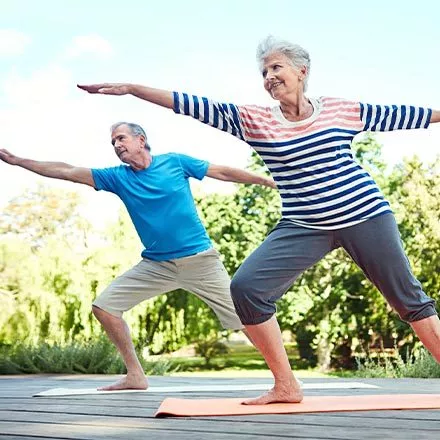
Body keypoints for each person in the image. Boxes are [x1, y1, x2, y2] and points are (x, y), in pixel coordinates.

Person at [77, 35, 440, 404]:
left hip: (365, 215)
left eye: (276, 67)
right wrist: (133, 89)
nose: (268, 76)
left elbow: (409, 114)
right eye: (264, 71)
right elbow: (191, 105)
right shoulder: (255, 120)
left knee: (408, 300)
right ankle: (286, 385)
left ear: (302, 71)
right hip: (304, 224)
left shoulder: (340, 110)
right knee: (247, 289)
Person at [0, 121, 276, 391]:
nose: (116, 145)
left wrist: (264, 180)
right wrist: (18, 161)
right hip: (157, 265)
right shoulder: (117, 177)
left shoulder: (175, 162)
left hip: (200, 261)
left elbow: (222, 172)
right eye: (113, 142)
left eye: (121, 138)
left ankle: (284, 378)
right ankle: (135, 375)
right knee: (105, 307)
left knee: (246, 318)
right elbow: (67, 171)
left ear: (140, 140)